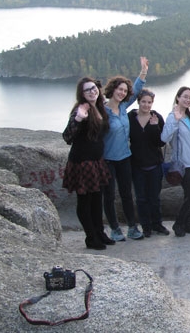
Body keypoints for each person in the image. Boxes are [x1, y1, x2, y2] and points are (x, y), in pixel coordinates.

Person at [62, 77, 114, 250]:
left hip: (95, 161)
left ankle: (99, 233)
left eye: (94, 88)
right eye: (88, 90)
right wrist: (77, 119)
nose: (92, 91)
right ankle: (90, 237)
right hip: (82, 163)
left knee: (96, 200)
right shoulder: (81, 109)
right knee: (85, 202)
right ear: (82, 94)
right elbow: (67, 137)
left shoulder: (99, 107)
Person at [102, 56, 148, 241]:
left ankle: (131, 227)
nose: (122, 93)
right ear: (112, 90)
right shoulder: (102, 110)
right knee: (109, 196)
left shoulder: (123, 107)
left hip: (124, 158)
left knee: (127, 194)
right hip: (107, 160)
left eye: (124, 91)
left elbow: (136, 91)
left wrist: (143, 72)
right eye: (119, 90)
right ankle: (114, 229)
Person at [161, 86, 190, 237]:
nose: (188, 99)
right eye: (185, 96)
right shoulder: (173, 117)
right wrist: (175, 121)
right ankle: (178, 223)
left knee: (188, 194)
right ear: (178, 97)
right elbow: (164, 138)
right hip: (182, 163)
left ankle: (188, 223)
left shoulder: (189, 115)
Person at [128, 89, 168, 237]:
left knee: (155, 198)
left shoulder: (156, 117)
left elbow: (161, 142)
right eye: (143, 101)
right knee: (141, 198)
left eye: (149, 102)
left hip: (154, 164)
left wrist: (154, 127)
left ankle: (157, 224)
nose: (146, 105)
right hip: (137, 165)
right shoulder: (130, 118)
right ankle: (146, 227)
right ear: (138, 101)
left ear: (152, 103)